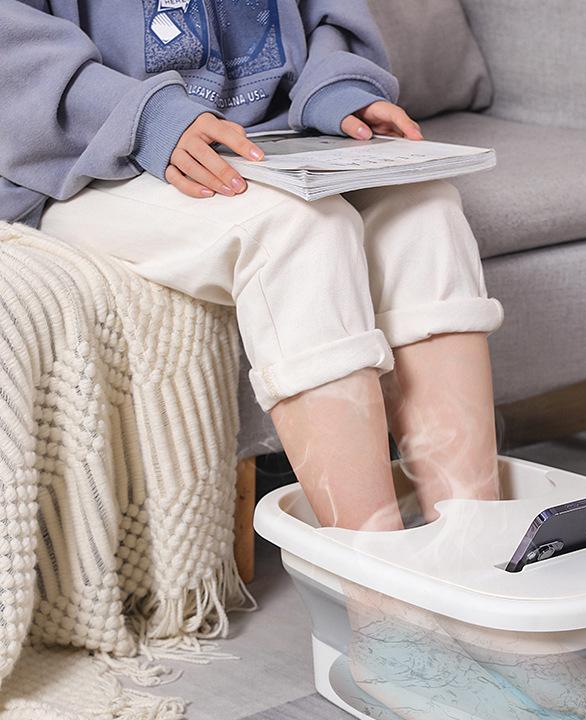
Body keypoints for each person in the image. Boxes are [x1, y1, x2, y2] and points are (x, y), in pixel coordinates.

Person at [0, 0, 505, 533]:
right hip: (89, 158)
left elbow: (325, 12)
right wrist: (144, 118)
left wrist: (336, 84)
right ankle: (377, 595)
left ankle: (480, 562)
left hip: (263, 140)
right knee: (302, 231)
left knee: (427, 211)